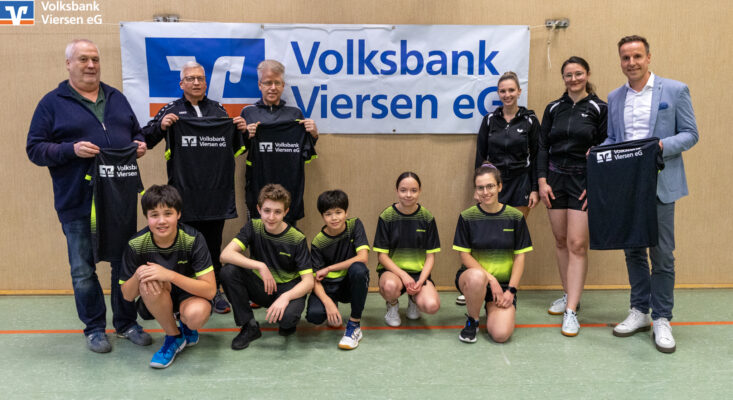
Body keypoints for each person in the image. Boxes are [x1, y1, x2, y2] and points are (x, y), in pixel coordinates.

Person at [26, 39, 151, 353]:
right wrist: (71, 149)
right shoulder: (51, 103)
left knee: (124, 264)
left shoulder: (116, 97)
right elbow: (35, 149)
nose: (91, 65)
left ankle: (126, 323)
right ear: (68, 64)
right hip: (77, 200)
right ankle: (94, 328)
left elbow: (135, 131)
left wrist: (139, 144)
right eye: (83, 59)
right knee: (83, 269)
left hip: (119, 198)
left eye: (95, 59)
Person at [604, 35, 698, 353]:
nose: (631, 62)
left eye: (637, 56)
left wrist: (660, 146)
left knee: (662, 255)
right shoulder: (615, 97)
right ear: (620, 61)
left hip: (661, 184)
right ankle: (640, 310)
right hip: (627, 186)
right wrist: (598, 151)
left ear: (648, 57)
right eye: (625, 58)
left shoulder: (674, 90)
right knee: (633, 252)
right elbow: (614, 139)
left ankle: (662, 318)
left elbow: (690, 134)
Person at [142, 61, 247, 315]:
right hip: (183, 195)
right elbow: (145, 138)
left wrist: (242, 131)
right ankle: (181, 293)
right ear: (181, 83)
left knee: (212, 245)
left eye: (200, 78)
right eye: (190, 78)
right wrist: (161, 125)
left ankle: (214, 291)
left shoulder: (219, 111)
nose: (196, 82)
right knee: (182, 247)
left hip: (215, 195)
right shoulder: (171, 109)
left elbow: (233, 147)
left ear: (206, 82)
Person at [537, 56, 607, 336]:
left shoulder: (600, 108)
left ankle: (571, 312)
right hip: (555, 181)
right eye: (568, 75)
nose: (574, 79)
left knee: (577, 244)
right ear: (563, 78)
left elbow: (606, 147)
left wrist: (596, 183)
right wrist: (542, 181)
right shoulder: (553, 108)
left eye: (578, 74)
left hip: (583, 182)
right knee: (561, 240)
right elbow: (542, 147)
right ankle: (569, 295)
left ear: (587, 74)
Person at [459, 71, 540, 307]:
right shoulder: (489, 120)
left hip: (520, 183)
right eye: (503, 91)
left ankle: (509, 287)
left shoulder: (530, 120)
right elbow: (480, 156)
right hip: (493, 185)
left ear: (519, 92)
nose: (507, 94)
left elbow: (538, 156)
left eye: (511, 90)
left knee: (512, 240)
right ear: (498, 93)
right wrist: (479, 188)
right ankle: (475, 285)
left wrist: (535, 188)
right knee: (483, 237)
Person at [120, 185, 216, 368]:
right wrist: (138, 275)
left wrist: (169, 275)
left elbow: (211, 290)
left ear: (178, 214)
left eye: (168, 213)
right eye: (154, 215)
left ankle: (187, 326)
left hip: (190, 294)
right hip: (158, 296)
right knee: (148, 281)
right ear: (147, 217)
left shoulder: (193, 239)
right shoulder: (136, 244)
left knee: (195, 315)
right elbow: (127, 295)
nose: (161, 221)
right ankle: (174, 336)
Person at [219, 184, 314, 350]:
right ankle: (249, 326)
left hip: (288, 288)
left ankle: (286, 319)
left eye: (277, 212)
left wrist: (286, 297)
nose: (271, 217)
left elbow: (308, 282)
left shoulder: (297, 238)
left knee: (286, 322)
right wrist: (260, 266)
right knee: (228, 271)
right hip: (263, 286)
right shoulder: (253, 227)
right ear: (259, 209)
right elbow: (225, 255)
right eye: (267, 210)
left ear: (286, 212)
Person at [453, 163, 532, 343]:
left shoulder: (515, 217)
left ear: (499, 186)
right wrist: (491, 280)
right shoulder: (467, 217)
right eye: (480, 188)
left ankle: (490, 306)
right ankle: (473, 320)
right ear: (476, 191)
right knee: (477, 277)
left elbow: (520, 257)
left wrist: (511, 290)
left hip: (503, 286)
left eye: (490, 186)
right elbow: (464, 256)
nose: (485, 192)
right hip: (474, 279)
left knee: (500, 335)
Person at [240, 60, 319, 226]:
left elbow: (305, 152)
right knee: (257, 233)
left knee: (288, 236)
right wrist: (246, 134)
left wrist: (313, 135)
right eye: (268, 83)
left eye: (277, 83)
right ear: (260, 85)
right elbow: (239, 148)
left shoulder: (295, 114)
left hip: (289, 186)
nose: (273, 87)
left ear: (283, 85)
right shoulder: (248, 112)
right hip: (257, 185)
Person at [373, 172, 441, 327]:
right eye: (403, 190)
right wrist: (403, 275)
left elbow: (430, 257)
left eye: (413, 190)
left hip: (418, 274)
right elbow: (382, 256)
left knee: (432, 306)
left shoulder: (427, 217)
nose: (408, 195)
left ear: (420, 191)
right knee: (389, 286)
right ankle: (392, 305)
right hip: (393, 273)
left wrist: (421, 281)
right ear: (397, 191)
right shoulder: (387, 216)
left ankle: (413, 300)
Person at [306, 190, 370, 350]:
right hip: (328, 286)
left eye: (338, 212)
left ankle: (354, 325)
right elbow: (315, 279)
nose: (334, 218)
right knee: (314, 316)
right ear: (322, 216)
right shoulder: (318, 242)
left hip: (348, 285)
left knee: (359, 269)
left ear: (346, 212)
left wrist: (329, 268)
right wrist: (328, 303)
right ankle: (333, 304)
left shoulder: (355, 225)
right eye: (328, 214)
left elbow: (362, 257)